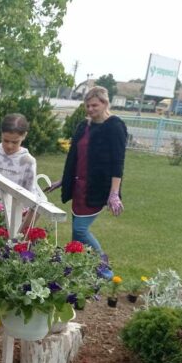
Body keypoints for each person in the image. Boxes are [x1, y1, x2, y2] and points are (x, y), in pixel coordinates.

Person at [54, 86, 126, 272]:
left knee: (80, 229)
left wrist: (114, 194)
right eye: (87, 105)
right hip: (79, 186)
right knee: (76, 234)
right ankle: (74, 268)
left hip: (96, 188)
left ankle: (104, 267)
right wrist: (64, 179)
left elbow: (118, 162)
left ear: (105, 103)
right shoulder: (83, 126)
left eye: (94, 105)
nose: (90, 109)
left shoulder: (115, 126)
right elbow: (74, 157)